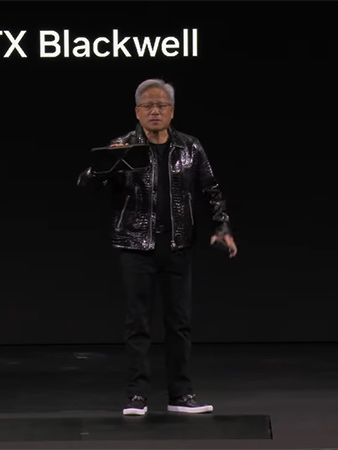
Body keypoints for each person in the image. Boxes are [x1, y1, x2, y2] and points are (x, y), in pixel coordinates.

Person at [77, 78, 237, 416]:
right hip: (136, 246)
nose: (155, 111)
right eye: (148, 105)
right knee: (138, 324)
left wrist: (222, 227)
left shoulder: (190, 147)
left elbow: (211, 190)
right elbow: (87, 184)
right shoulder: (124, 146)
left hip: (178, 246)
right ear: (137, 111)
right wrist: (105, 164)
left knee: (179, 324)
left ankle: (181, 394)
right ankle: (137, 395)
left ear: (172, 111)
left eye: (161, 105)